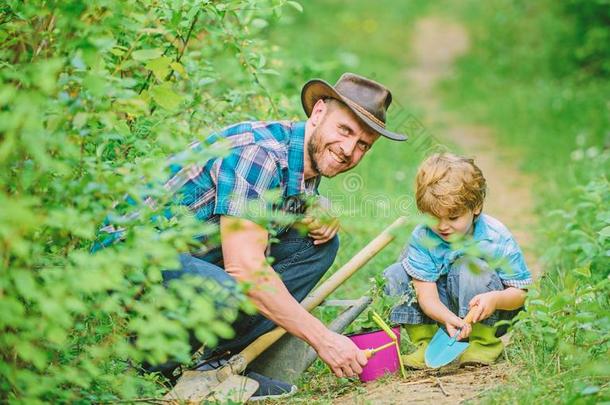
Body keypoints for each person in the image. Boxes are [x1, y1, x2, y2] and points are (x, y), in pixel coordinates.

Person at [98, 73, 407, 399]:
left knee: (316, 245)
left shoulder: (302, 160)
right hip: (124, 261)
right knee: (231, 288)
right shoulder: (258, 153)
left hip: (180, 258)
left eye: (363, 145)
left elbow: (271, 210)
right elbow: (246, 269)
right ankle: (146, 369)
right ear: (318, 113)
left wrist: (317, 205)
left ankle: (218, 365)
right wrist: (324, 340)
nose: (348, 150)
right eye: (344, 130)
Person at [383, 153, 532, 369]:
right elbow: (426, 295)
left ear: (476, 207)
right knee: (396, 273)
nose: (443, 227)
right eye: (434, 217)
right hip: (442, 315)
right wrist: (446, 318)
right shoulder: (424, 236)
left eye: (453, 218)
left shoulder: (495, 237)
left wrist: (496, 299)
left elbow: (520, 294)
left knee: (469, 267)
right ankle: (426, 342)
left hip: (488, 312)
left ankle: (484, 343)